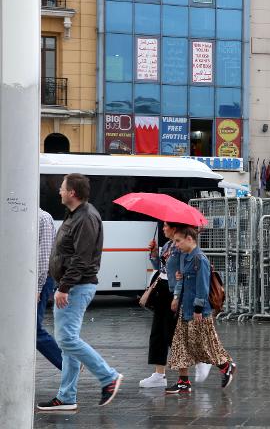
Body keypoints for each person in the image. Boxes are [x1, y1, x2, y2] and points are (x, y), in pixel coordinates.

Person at [37, 173, 123, 411]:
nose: (59, 192)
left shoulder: (85, 217)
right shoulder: (77, 214)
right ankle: (66, 396)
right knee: (67, 343)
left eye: (63, 188)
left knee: (67, 339)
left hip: (75, 286)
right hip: (71, 285)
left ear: (72, 193)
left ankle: (108, 377)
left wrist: (64, 287)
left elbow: (82, 259)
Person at [166, 226, 236, 394]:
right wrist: (176, 297)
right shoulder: (185, 257)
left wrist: (198, 308)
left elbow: (202, 288)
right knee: (180, 344)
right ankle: (183, 381)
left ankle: (226, 365)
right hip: (185, 308)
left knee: (204, 345)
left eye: (178, 241)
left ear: (189, 239)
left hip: (198, 311)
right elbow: (182, 279)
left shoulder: (200, 259)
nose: (175, 245)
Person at [139, 222, 183, 388]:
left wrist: (177, 295)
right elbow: (160, 267)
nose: (163, 229)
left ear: (174, 228)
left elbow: (180, 273)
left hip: (172, 292)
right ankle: (159, 373)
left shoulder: (180, 247)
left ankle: (190, 370)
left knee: (172, 333)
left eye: (166, 226)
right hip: (162, 289)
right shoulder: (167, 246)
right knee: (157, 332)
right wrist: (154, 254)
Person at [37, 207, 62, 370]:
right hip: (32, 280)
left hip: (41, 280)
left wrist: (38, 287)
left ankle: (68, 364)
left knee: (33, 330)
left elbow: (44, 258)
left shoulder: (43, 218)